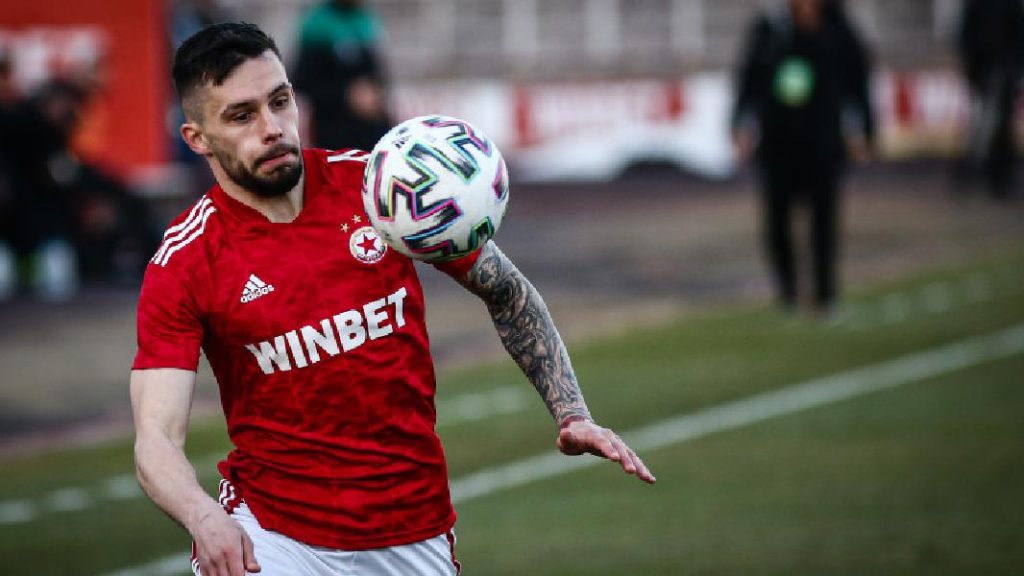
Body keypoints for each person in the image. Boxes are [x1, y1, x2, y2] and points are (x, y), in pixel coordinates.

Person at [130, 22, 655, 576]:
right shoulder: (186, 259)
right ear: (197, 138)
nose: (273, 128)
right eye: (241, 116)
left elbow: (508, 293)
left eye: (280, 101)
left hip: (414, 530)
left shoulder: (379, 189)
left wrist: (571, 413)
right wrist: (203, 517)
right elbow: (156, 439)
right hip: (273, 537)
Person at [731, 0, 874, 315]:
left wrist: (864, 129)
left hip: (823, 142)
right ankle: (788, 292)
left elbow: (858, 81)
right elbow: (748, 80)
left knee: (824, 220)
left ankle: (825, 293)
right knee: (778, 221)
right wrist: (740, 123)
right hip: (778, 143)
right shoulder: (770, 30)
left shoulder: (837, 29)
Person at [292, 0, 392, 151]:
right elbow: (302, 82)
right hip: (334, 135)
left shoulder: (367, 21)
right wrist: (347, 96)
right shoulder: (317, 26)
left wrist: (376, 95)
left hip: (370, 135)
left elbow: (378, 75)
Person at [956, 0, 1023, 198]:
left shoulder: (1008, 6)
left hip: (1001, 73)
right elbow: (966, 37)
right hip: (984, 72)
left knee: (999, 127)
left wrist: (1013, 68)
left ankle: (997, 176)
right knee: (983, 126)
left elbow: (1018, 38)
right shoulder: (979, 5)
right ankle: (982, 174)